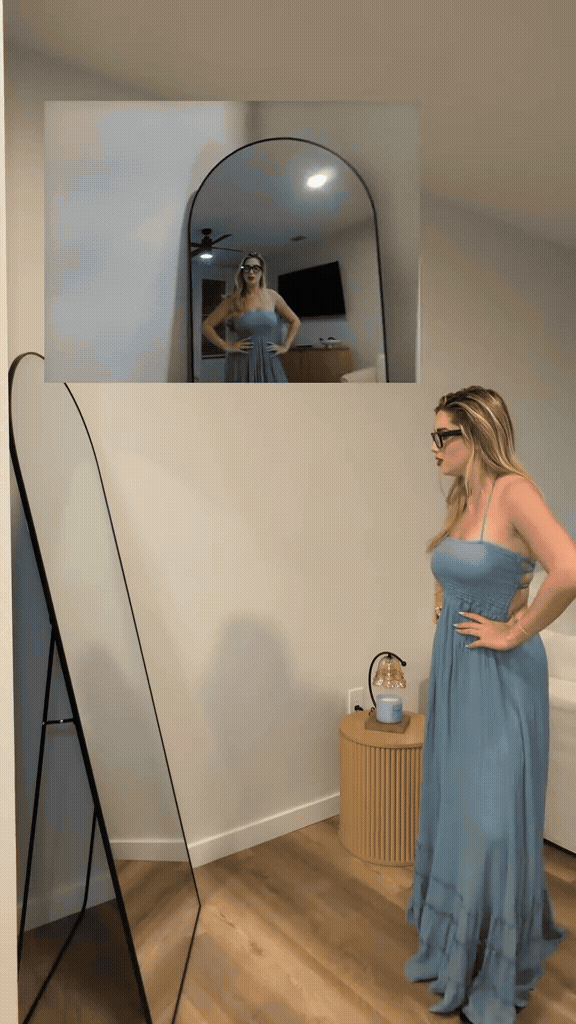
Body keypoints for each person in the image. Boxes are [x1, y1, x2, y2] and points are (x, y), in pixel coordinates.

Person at [404, 386, 576, 1024]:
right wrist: (447, 603)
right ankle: (463, 944)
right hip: (458, 670)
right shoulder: (463, 496)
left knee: (491, 821)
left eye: (442, 435)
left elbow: (569, 569)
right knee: (458, 809)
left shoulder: (512, 490)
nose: (434, 447)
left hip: (501, 675)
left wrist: (513, 629)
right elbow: (477, 571)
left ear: (474, 436)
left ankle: (496, 962)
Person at [201, 252, 301, 382]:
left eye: (256, 268)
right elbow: (207, 326)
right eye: (246, 268)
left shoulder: (273, 296)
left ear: (262, 272)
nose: (251, 272)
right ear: (242, 272)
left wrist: (286, 346)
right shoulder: (233, 300)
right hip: (242, 362)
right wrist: (227, 346)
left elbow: (295, 321)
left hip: (270, 361)